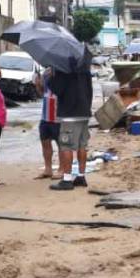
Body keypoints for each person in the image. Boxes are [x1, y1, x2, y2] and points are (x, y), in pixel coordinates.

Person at [48, 49, 94, 191]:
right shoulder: (85, 69)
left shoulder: (63, 70)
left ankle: (67, 179)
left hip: (69, 114)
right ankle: (81, 176)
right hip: (84, 112)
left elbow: (57, 90)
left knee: (66, 145)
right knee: (82, 145)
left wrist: (50, 77)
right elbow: (90, 90)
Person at [34, 67, 63, 179]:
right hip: (45, 115)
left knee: (61, 144)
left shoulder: (63, 72)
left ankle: (62, 169)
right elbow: (42, 93)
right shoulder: (46, 72)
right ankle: (48, 169)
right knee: (45, 142)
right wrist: (38, 84)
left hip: (58, 116)